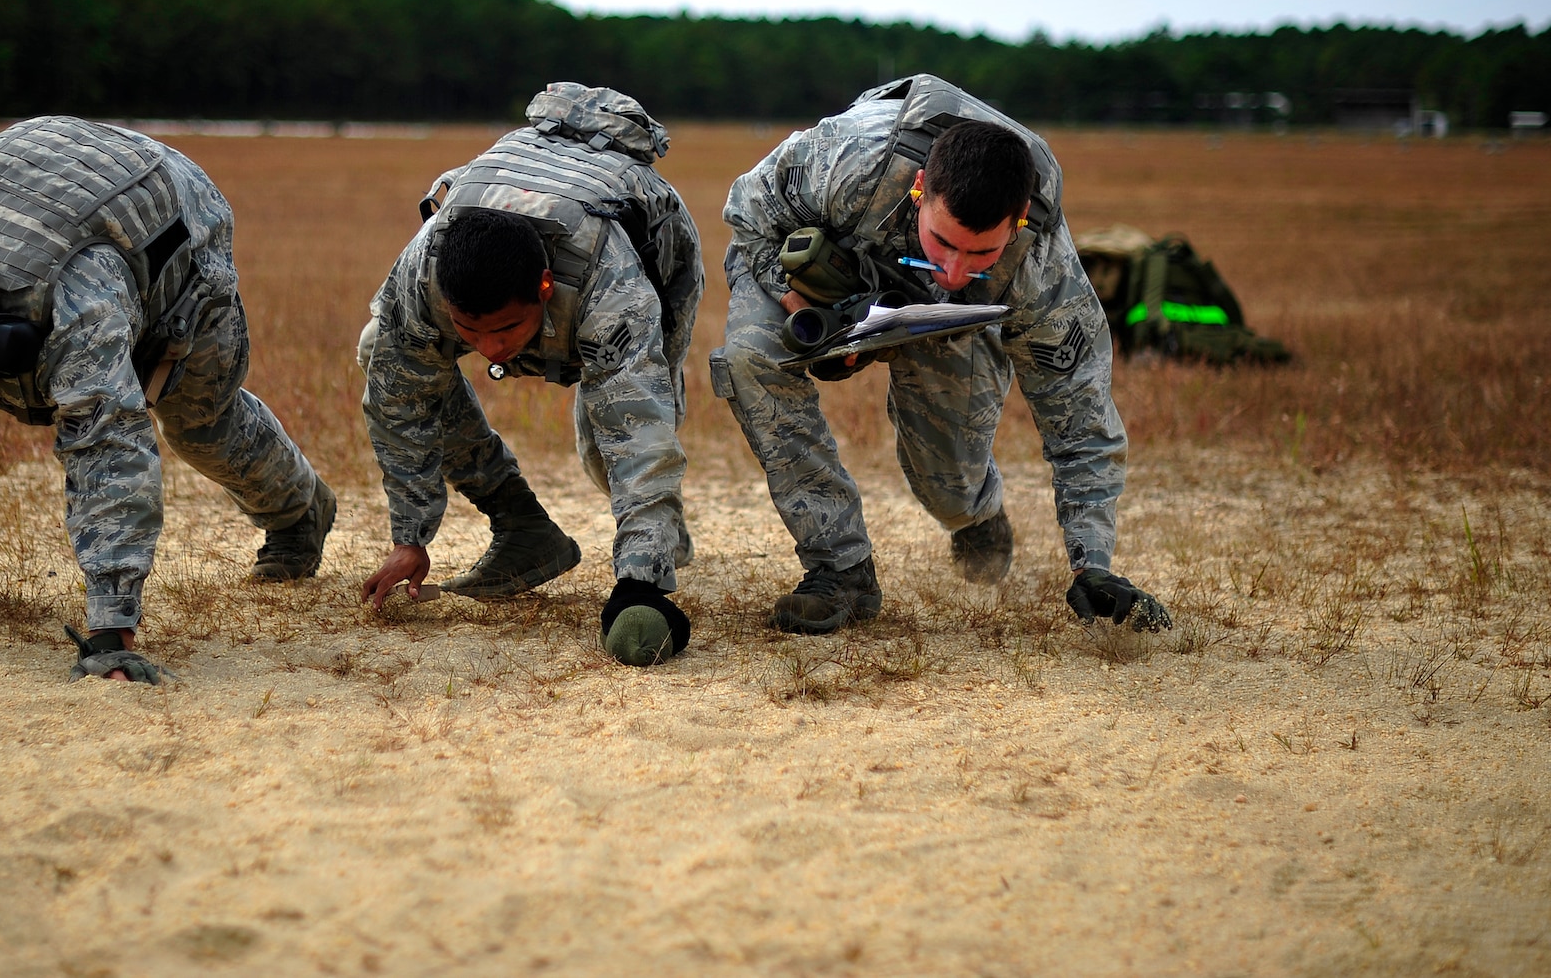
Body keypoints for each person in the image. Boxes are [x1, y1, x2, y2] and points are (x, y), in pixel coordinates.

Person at [0, 116, 335, 683]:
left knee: (200, 423)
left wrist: (112, 631)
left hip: (174, 219)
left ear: (2, 347)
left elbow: (109, 450)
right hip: (42, 174)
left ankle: (300, 514)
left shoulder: (77, 308)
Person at [712, 74, 1172, 635]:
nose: (956, 272)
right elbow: (746, 220)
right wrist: (796, 300)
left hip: (949, 328)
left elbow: (1081, 419)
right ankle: (840, 570)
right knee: (748, 357)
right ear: (920, 188)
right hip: (821, 286)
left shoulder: (1039, 267)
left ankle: (977, 515)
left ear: (1020, 218)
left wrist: (1093, 564)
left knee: (949, 489)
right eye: (944, 242)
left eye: (982, 252)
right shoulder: (847, 157)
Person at [356, 84, 704, 666]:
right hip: (508, 234)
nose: (492, 348)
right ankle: (523, 529)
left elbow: (639, 435)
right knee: (381, 348)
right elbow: (399, 401)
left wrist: (640, 588)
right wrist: (409, 536)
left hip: (649, 259)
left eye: (507, 328)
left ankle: (654, 542)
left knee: (605, 443)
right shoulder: (422, 269)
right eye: (470, 329)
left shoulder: (612, 288)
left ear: (545, 291)